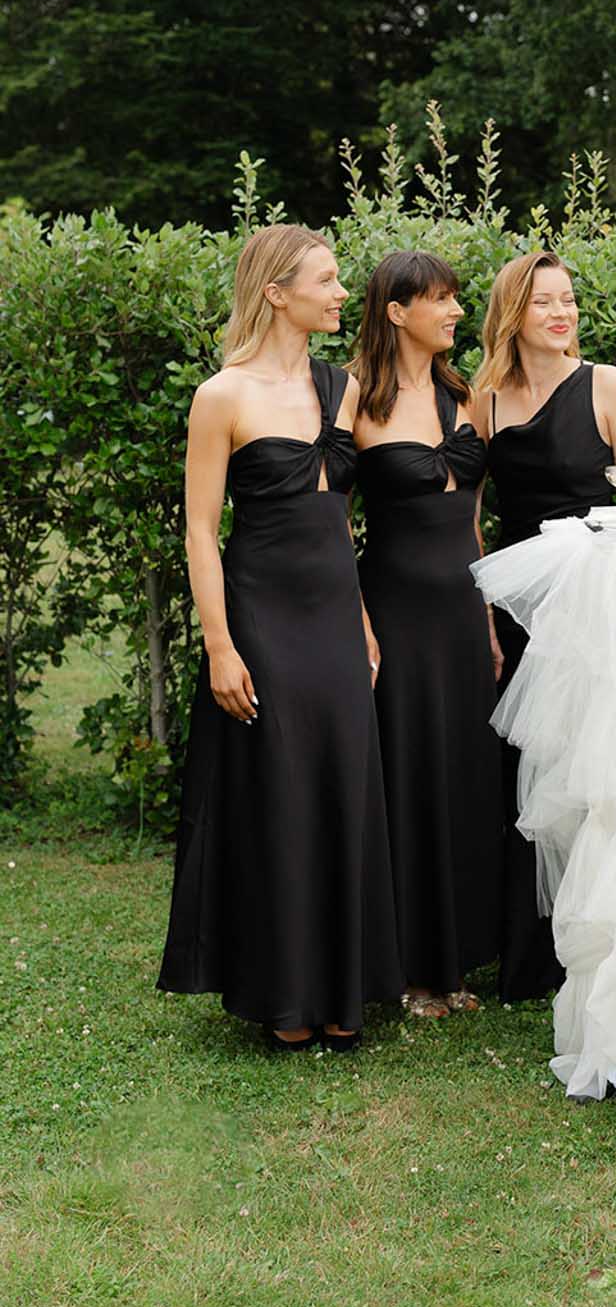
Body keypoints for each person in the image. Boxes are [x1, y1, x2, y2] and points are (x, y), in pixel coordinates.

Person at [159, 225, 401, 1051]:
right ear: (276, 293)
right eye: (327, 281)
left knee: (342, 786)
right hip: (261, 614)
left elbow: (342, 521)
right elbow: (199, 532)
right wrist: (220, 646)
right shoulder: (220, 396)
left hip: (336, 617)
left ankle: (345, 989)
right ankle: (285, 995)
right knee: (281, 796)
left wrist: (363, 621)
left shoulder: (343, 385)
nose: (341, 294)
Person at [470, 251, 616, 1002]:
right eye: (543, 302)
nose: (560, 313)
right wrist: (481, 607)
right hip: (522, 606)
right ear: (514, 315)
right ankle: (530, 950)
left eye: (568, 299)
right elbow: (468, 514)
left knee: (603, 763)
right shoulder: (485, 400)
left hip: (601, 598)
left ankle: (609, 940)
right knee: (529, 769)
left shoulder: (607, 385)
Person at [352, 251, 503, 1021]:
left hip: (459, 614)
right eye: (439, 300)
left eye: (455, 298)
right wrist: (360, 623)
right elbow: (325, 524)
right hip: (395, 614)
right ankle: (409, 969)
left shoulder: (464, 393)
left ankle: (457, 957)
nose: (453, 311)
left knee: (461, 773)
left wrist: (484, 616)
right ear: (395, 311)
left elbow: (471, 518)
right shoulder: (355, 399)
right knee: (407, 778)